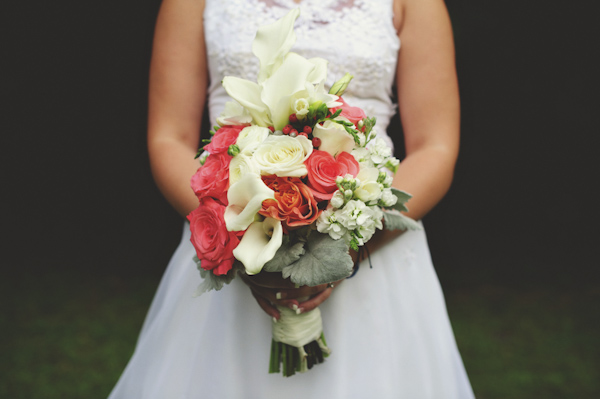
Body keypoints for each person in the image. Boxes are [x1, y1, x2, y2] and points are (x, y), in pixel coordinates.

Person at [109, 0, 475, 397]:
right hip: (232, 242)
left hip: (372, 250)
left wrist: (350, 245)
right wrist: (232, 237)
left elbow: (435, 146)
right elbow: (169, 138)